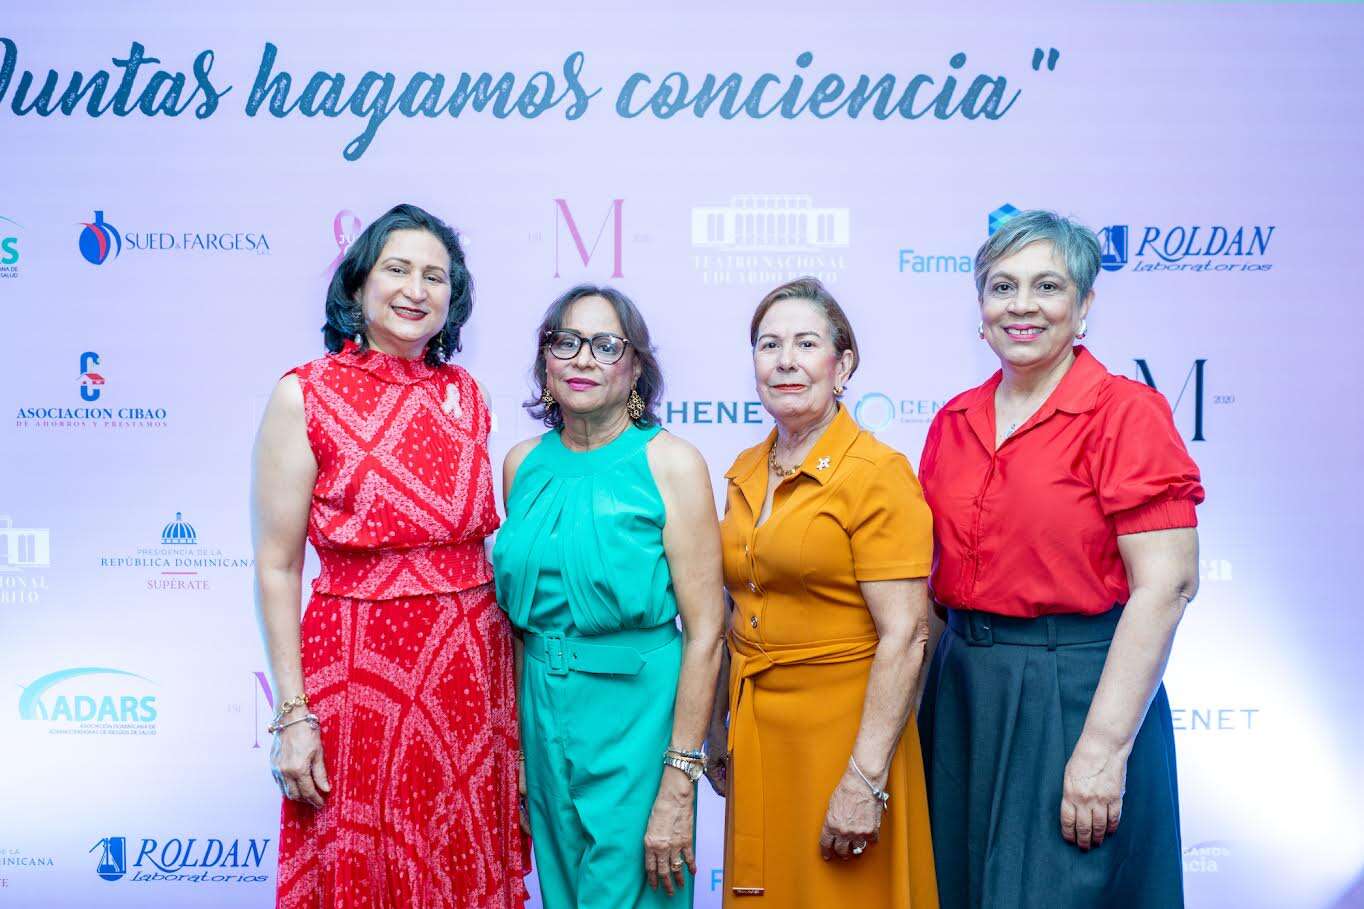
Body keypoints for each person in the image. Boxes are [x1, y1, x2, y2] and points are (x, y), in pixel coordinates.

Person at [917, 209, 1205, 908]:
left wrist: (1103, 748)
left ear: (1084, 305)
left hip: (1073, 693)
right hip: (962, 693)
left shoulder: (1125, 413)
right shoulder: (953, 420)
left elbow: (1165, 586)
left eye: (1047, 286)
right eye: (1002, 287)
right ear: (980, 306)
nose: (1021, 306)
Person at [252, 203, 527, 908]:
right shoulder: (303, 394)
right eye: (397, 269)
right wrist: (293, 714)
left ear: (452, 298)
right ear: (358, 287)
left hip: (468, 672)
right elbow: (277, 565)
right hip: (359, 674)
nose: (416, 288)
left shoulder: (471, 397)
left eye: (435, 276)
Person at [706, 277, 939, 907]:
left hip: (846, 736)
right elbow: (738, 604)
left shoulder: (877, 474)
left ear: (844, 364)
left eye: (806, 344)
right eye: (768, 344)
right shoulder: (745, 470)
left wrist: (865, 778)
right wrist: (717, 725)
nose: (785, 361)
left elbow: (909, 633)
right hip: (760, 731)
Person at [492, 284, 725, 908]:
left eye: (605, 344)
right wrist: (515, 748)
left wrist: (680, 776)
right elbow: (521, 624)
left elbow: (706, 631)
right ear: (546, 361)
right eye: (564, 342)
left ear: (636, 366)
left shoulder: (672, 464)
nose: (582, 359)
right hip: (544, 718)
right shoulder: (521, 465)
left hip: (639, 718)